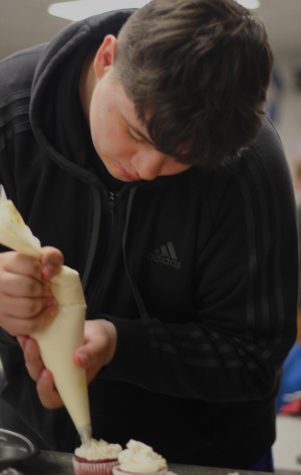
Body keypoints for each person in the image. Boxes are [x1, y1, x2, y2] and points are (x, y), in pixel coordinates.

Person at [0, 0, 298, 470]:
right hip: (37, 442)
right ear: (105, 58)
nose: (146, 170)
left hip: (208, 455)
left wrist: (121, 344)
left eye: (183, 159)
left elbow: (254, 357)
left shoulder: (246, 162)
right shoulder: (6, 113)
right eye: (135, 133)